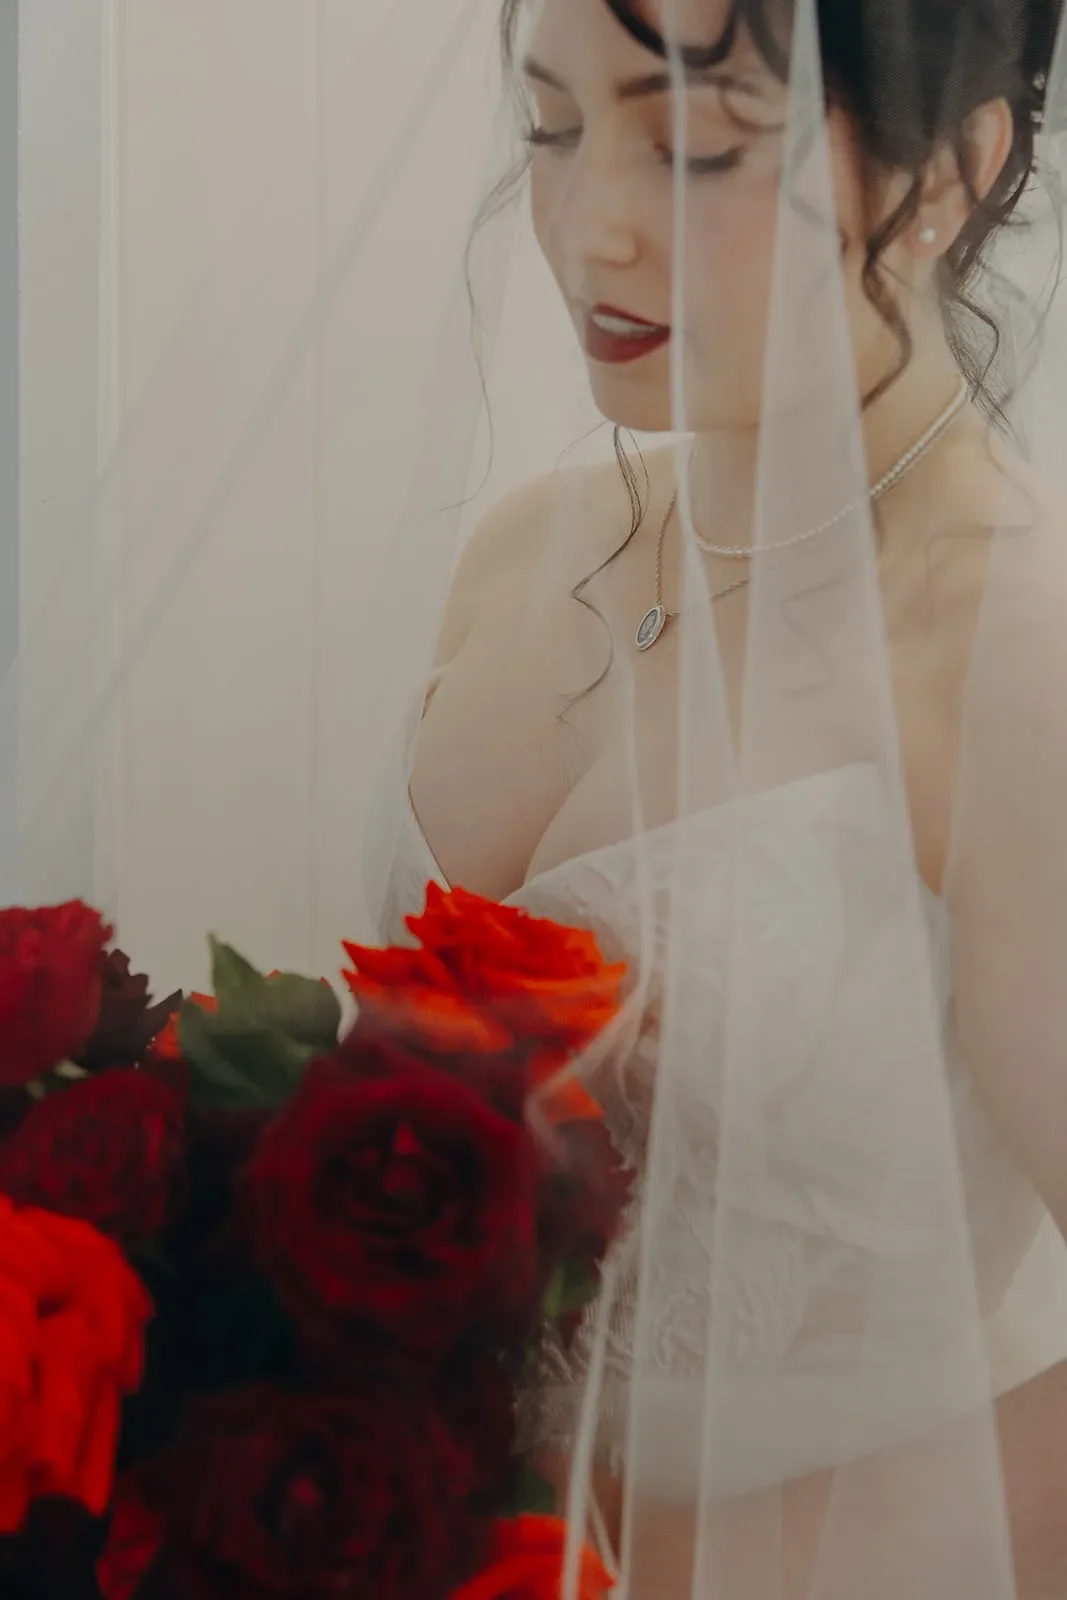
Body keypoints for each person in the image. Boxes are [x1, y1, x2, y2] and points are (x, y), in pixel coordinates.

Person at [366, 0, 1067, 1592]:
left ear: (953, 167)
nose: (587, 224)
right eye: (550, 127)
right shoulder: (519, 549)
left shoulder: (1016, 657)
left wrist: (673, 1564)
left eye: (693, 145)